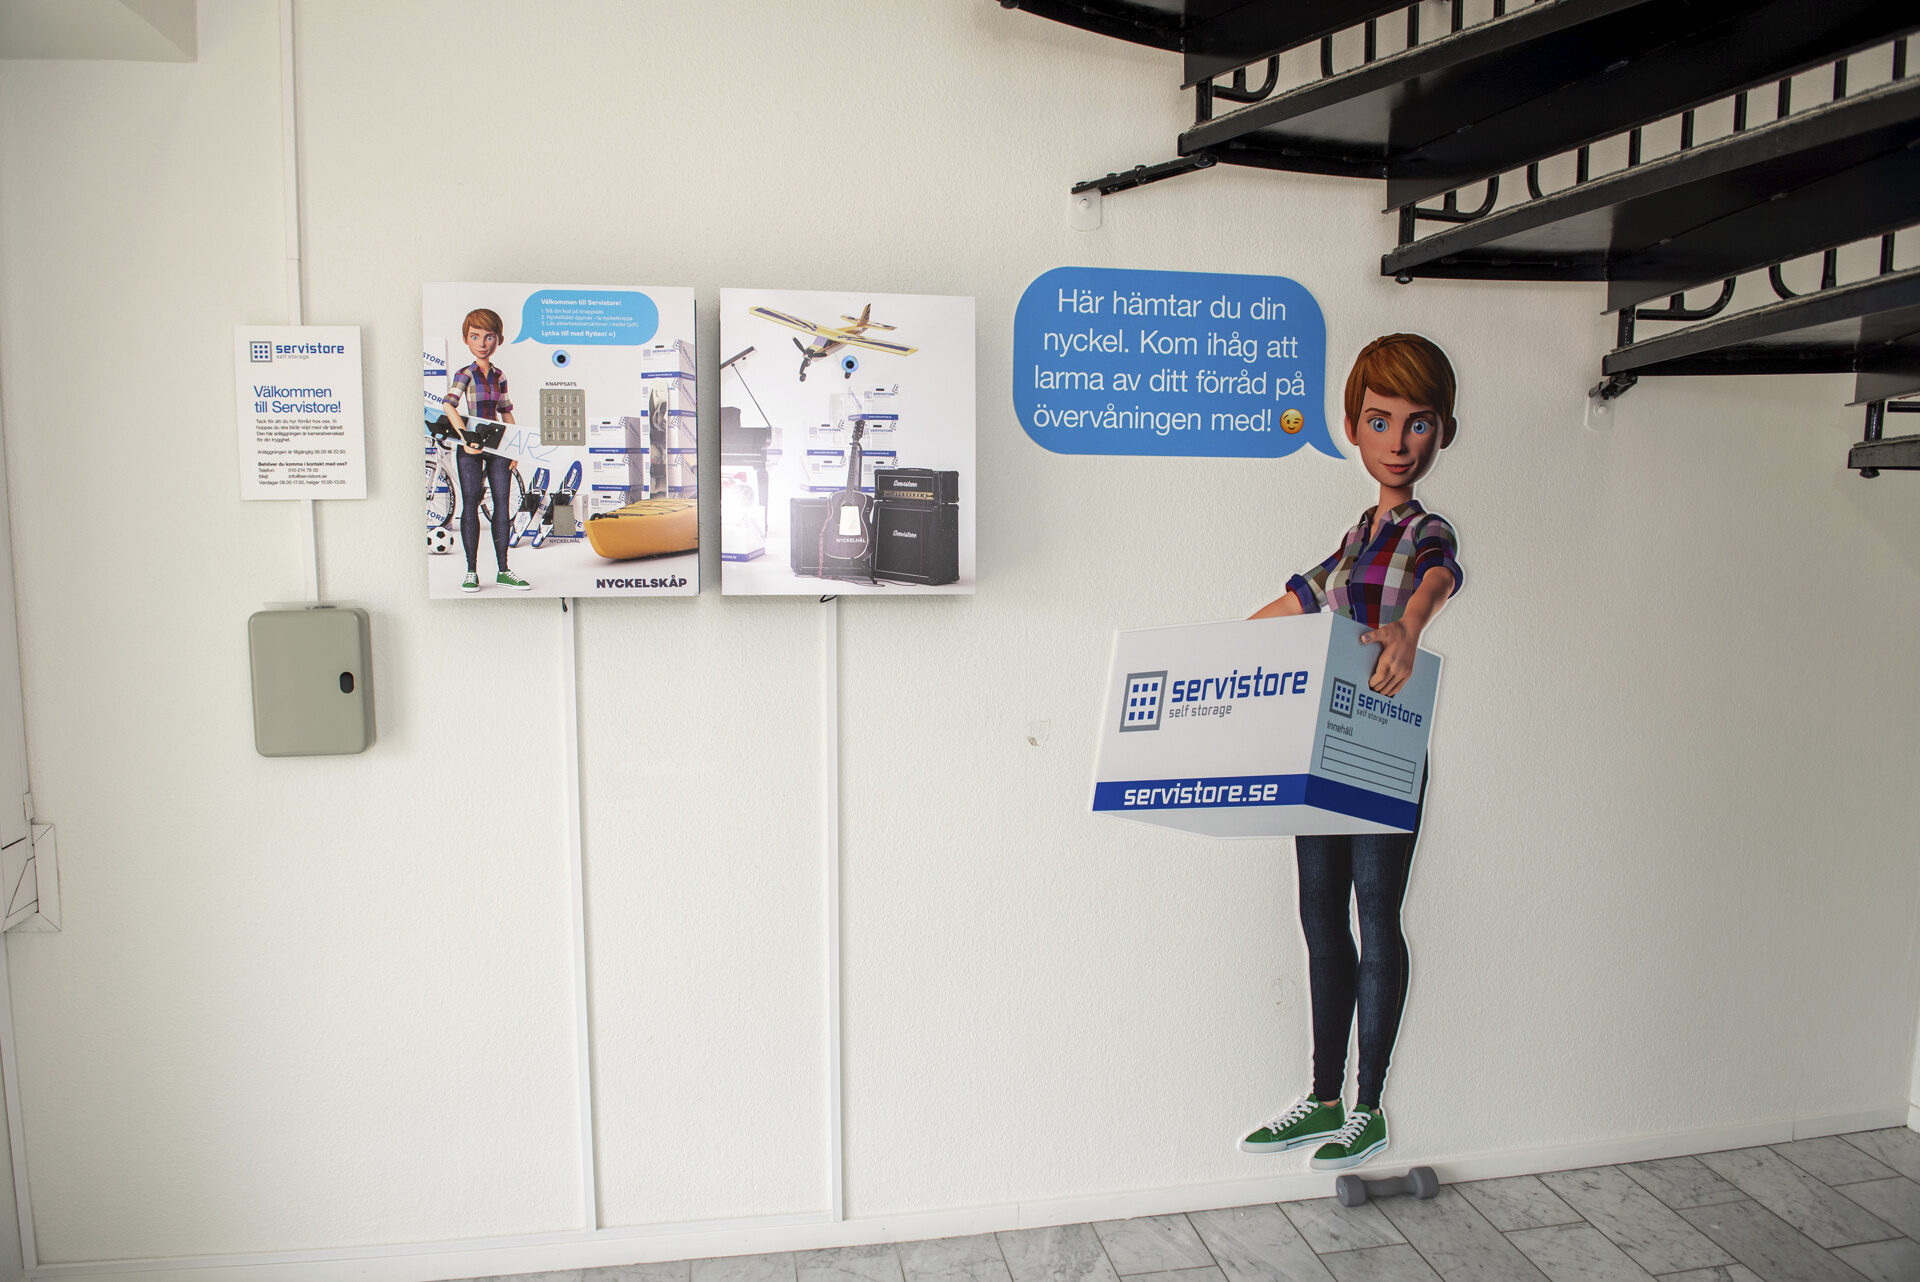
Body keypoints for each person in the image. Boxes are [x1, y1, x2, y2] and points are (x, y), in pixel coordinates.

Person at [1239, 333, 1464, 1171]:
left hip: (1383, 747)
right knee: (1319, 916)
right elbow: (1299, 599)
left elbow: (1440, 575)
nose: (1398, 443)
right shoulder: (1357, 536)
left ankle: (1368, 1107)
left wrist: (1409, 625)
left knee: (1375, 912)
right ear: (1352, 426)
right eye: (1380, 421)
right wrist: (1212, 651)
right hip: (1324, 746)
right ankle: (1322, 1097)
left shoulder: (1423, 530)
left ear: (1441, 432)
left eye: (1418, 424)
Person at [443, 308, 532, 592]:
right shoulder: (465, 374)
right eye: (475, 336)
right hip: (470, 445)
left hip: (498, 444)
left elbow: (506, 412)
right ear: (466, 339)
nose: (482, 343)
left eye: (489, 337)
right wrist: (465, 436)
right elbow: (448, 404)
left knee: (501, 504)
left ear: (499, 340)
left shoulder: (499, 376)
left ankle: (504, 569)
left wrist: (515, 448)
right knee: (470, 504)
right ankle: (471, 571)